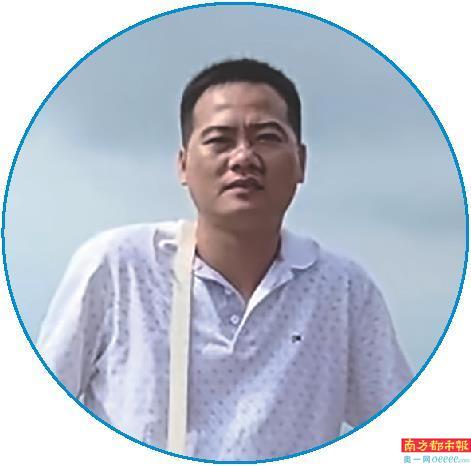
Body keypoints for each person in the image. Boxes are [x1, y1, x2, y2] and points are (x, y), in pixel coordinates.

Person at [37, 58, 412, 460]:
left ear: (301, 162)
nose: (243, 157)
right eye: (220, 140)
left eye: (266, 137)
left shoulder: (342, 289)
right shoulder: (119, 267)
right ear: (183, 164)